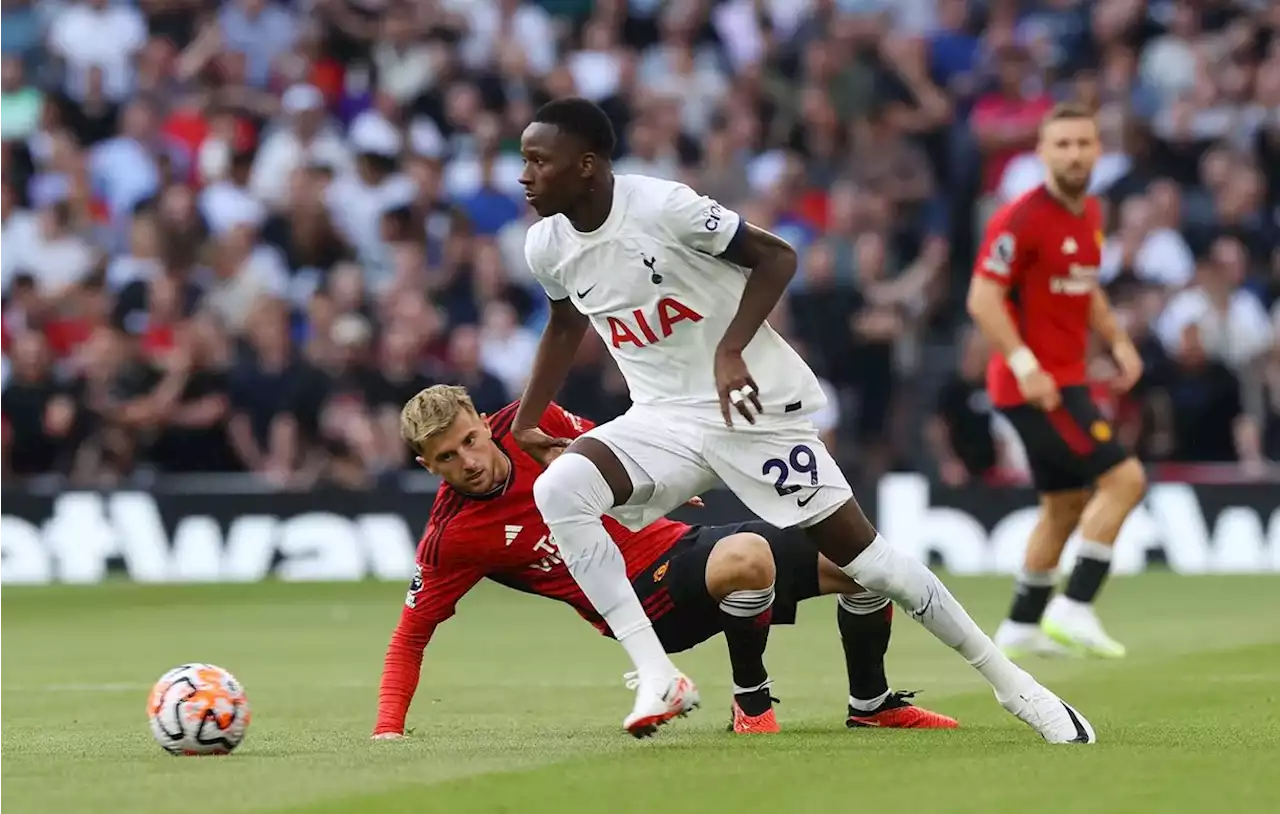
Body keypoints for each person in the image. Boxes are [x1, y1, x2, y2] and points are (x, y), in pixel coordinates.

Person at [510, 97, 1093, 743]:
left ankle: (1019, 689)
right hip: (661, 419)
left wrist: (731, 349)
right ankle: (657, 675)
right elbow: (565, 324)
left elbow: (778, 256)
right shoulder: (546, 246)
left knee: (871, 566)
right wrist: (527, 420)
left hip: (754, 412)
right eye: (524, 160)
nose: (525, 174)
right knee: (558, 488)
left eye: (539, 160)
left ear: (587, 166)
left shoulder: (662, 207)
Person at [372, 385, 959, 738]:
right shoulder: (452, 537)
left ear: (480, 422)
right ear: (429, 466)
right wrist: (388, 732)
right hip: (642, 605)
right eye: (447, 457)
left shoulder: (530, 422)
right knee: (749, 557)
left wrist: (658, 481)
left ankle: (871, 705)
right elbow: (408, 637)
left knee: (862, 561)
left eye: (470, 440)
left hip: (680, 546)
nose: (468, 461)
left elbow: (604, 444)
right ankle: (752, 704)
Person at [966, 103, 1148, 660]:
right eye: (1062, 144)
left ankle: (1022, 623)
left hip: (1065, 377)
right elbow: (982, 297)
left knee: (1065, 504)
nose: (1073, 154)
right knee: (1125, 481)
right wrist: (1025, 364)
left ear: (1099, 150)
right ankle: (1076, 607)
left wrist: (1117, 340)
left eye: (1083, 143)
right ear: (1042, 153)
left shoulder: (1090, 211)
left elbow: (1084, 284)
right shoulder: (1020, 218)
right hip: (1035, 385)